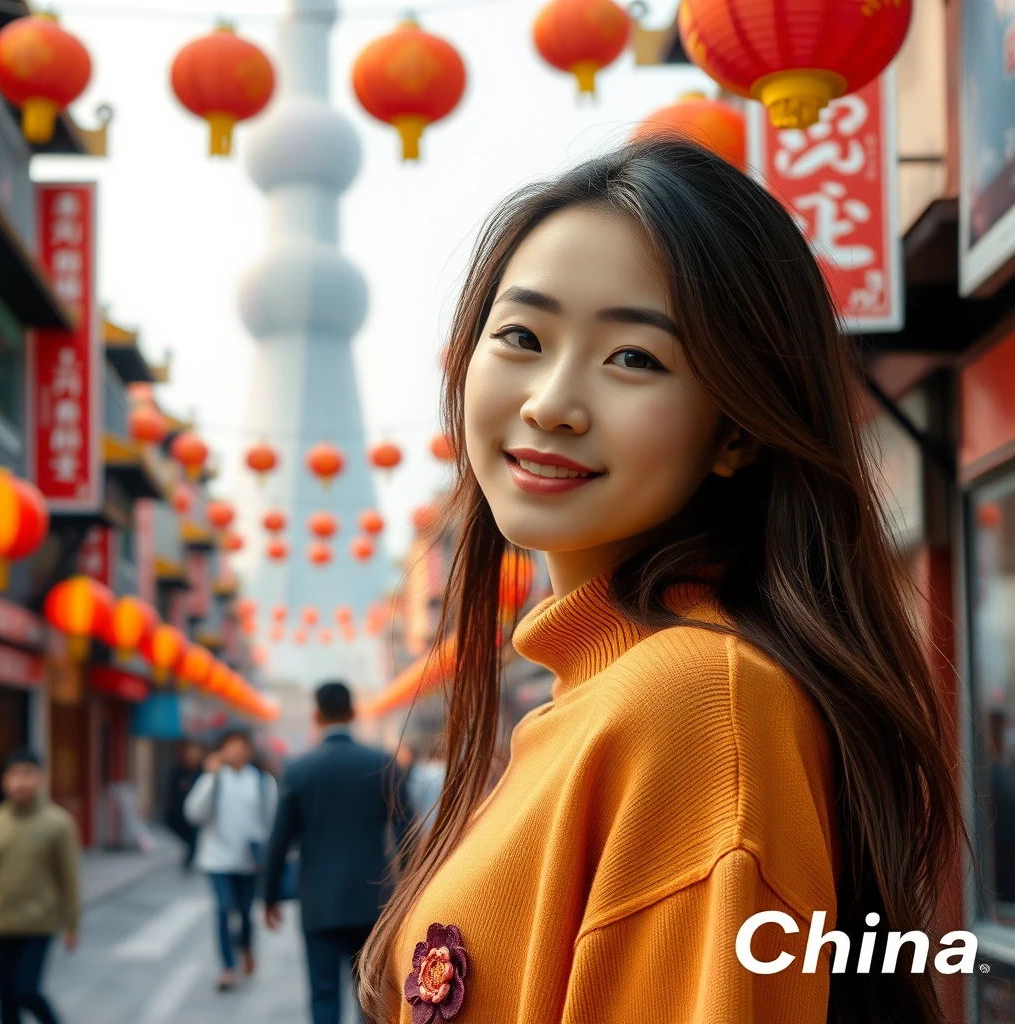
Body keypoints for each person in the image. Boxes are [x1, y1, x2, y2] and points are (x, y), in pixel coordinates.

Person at [356, 138, 969, 1024]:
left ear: (737, 432)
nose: (552, 402)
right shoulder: (593, 698)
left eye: (634, 358)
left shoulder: (693, 707)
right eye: (521, 336)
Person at [263, 681, 412, 1024]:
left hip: (319, 900)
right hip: (374, 898)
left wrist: (269, 895)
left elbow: (279, 840)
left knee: (324, 994)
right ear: (353, 712)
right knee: (372, 998)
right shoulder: (381, 762)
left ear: (316, 715)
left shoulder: (300, 769)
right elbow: (407, 833)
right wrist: (410, 890)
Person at [184, 729, 277, 992]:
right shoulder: (213, 779)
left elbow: (272, 822)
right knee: (224, 909)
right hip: (217, 860)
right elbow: (193, 813)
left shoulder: (263, 782)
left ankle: (246, 947)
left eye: (242, 746)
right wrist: (210, 778)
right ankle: (227, 967)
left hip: (250, 861)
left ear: (249, 751)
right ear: (221, 751)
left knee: (246, 913)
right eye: (231, 747)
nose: (237, 752)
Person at [0, 749, 79, 1024]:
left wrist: (72, 924)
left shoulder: (58, 823)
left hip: (38, 924)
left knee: (26, 991)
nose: (21, 782)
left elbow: (70, 877)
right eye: (15, 775)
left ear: (41, 779)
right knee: (5, 998)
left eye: (28, 775)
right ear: (5, 779)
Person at [164, 741, 203, 873]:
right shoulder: (178, 771)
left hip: (196, 814)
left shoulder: (201, 772)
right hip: (178, 813)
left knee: (194, 837)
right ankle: (190, 855)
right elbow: (171, 792)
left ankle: (189, 860)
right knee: (188, 839)